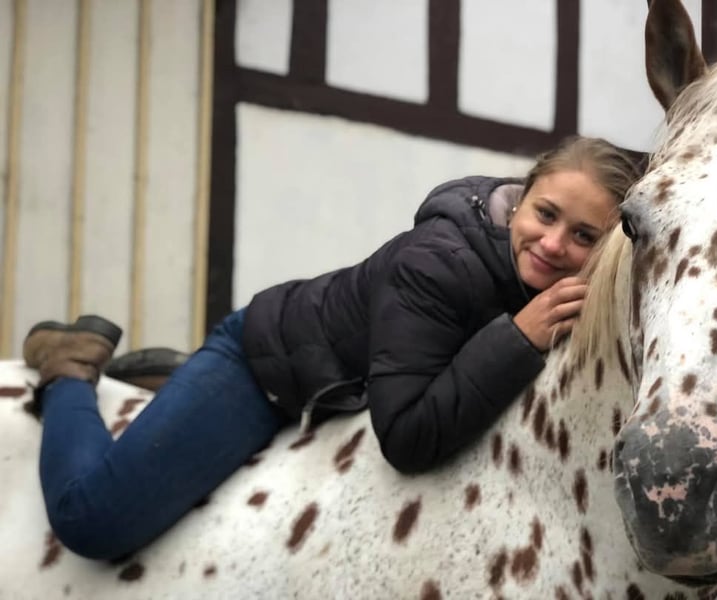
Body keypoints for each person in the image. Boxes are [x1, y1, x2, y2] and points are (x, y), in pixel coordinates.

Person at [22, 135, 641, 561]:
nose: (553, 244)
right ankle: (69, 368)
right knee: (93, 522)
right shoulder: (438, 264)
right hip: (266, 369)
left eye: (584, 236)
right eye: (545, 214)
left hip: (346, 381)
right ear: (520, 199)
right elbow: (406, 436)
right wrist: (518, 338)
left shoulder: (566, 293)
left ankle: (172, 379)